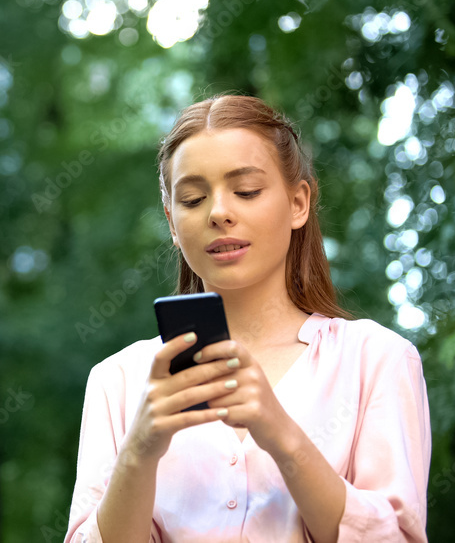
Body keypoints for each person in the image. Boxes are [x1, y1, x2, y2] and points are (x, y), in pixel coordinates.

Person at [64, 95, 431, 543]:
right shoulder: (117, 382)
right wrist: (140, 451)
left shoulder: (377, 360)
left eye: (246, 191)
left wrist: (281, 434)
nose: (219, 212)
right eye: (194, 199)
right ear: (173, 224)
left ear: (298, 203)